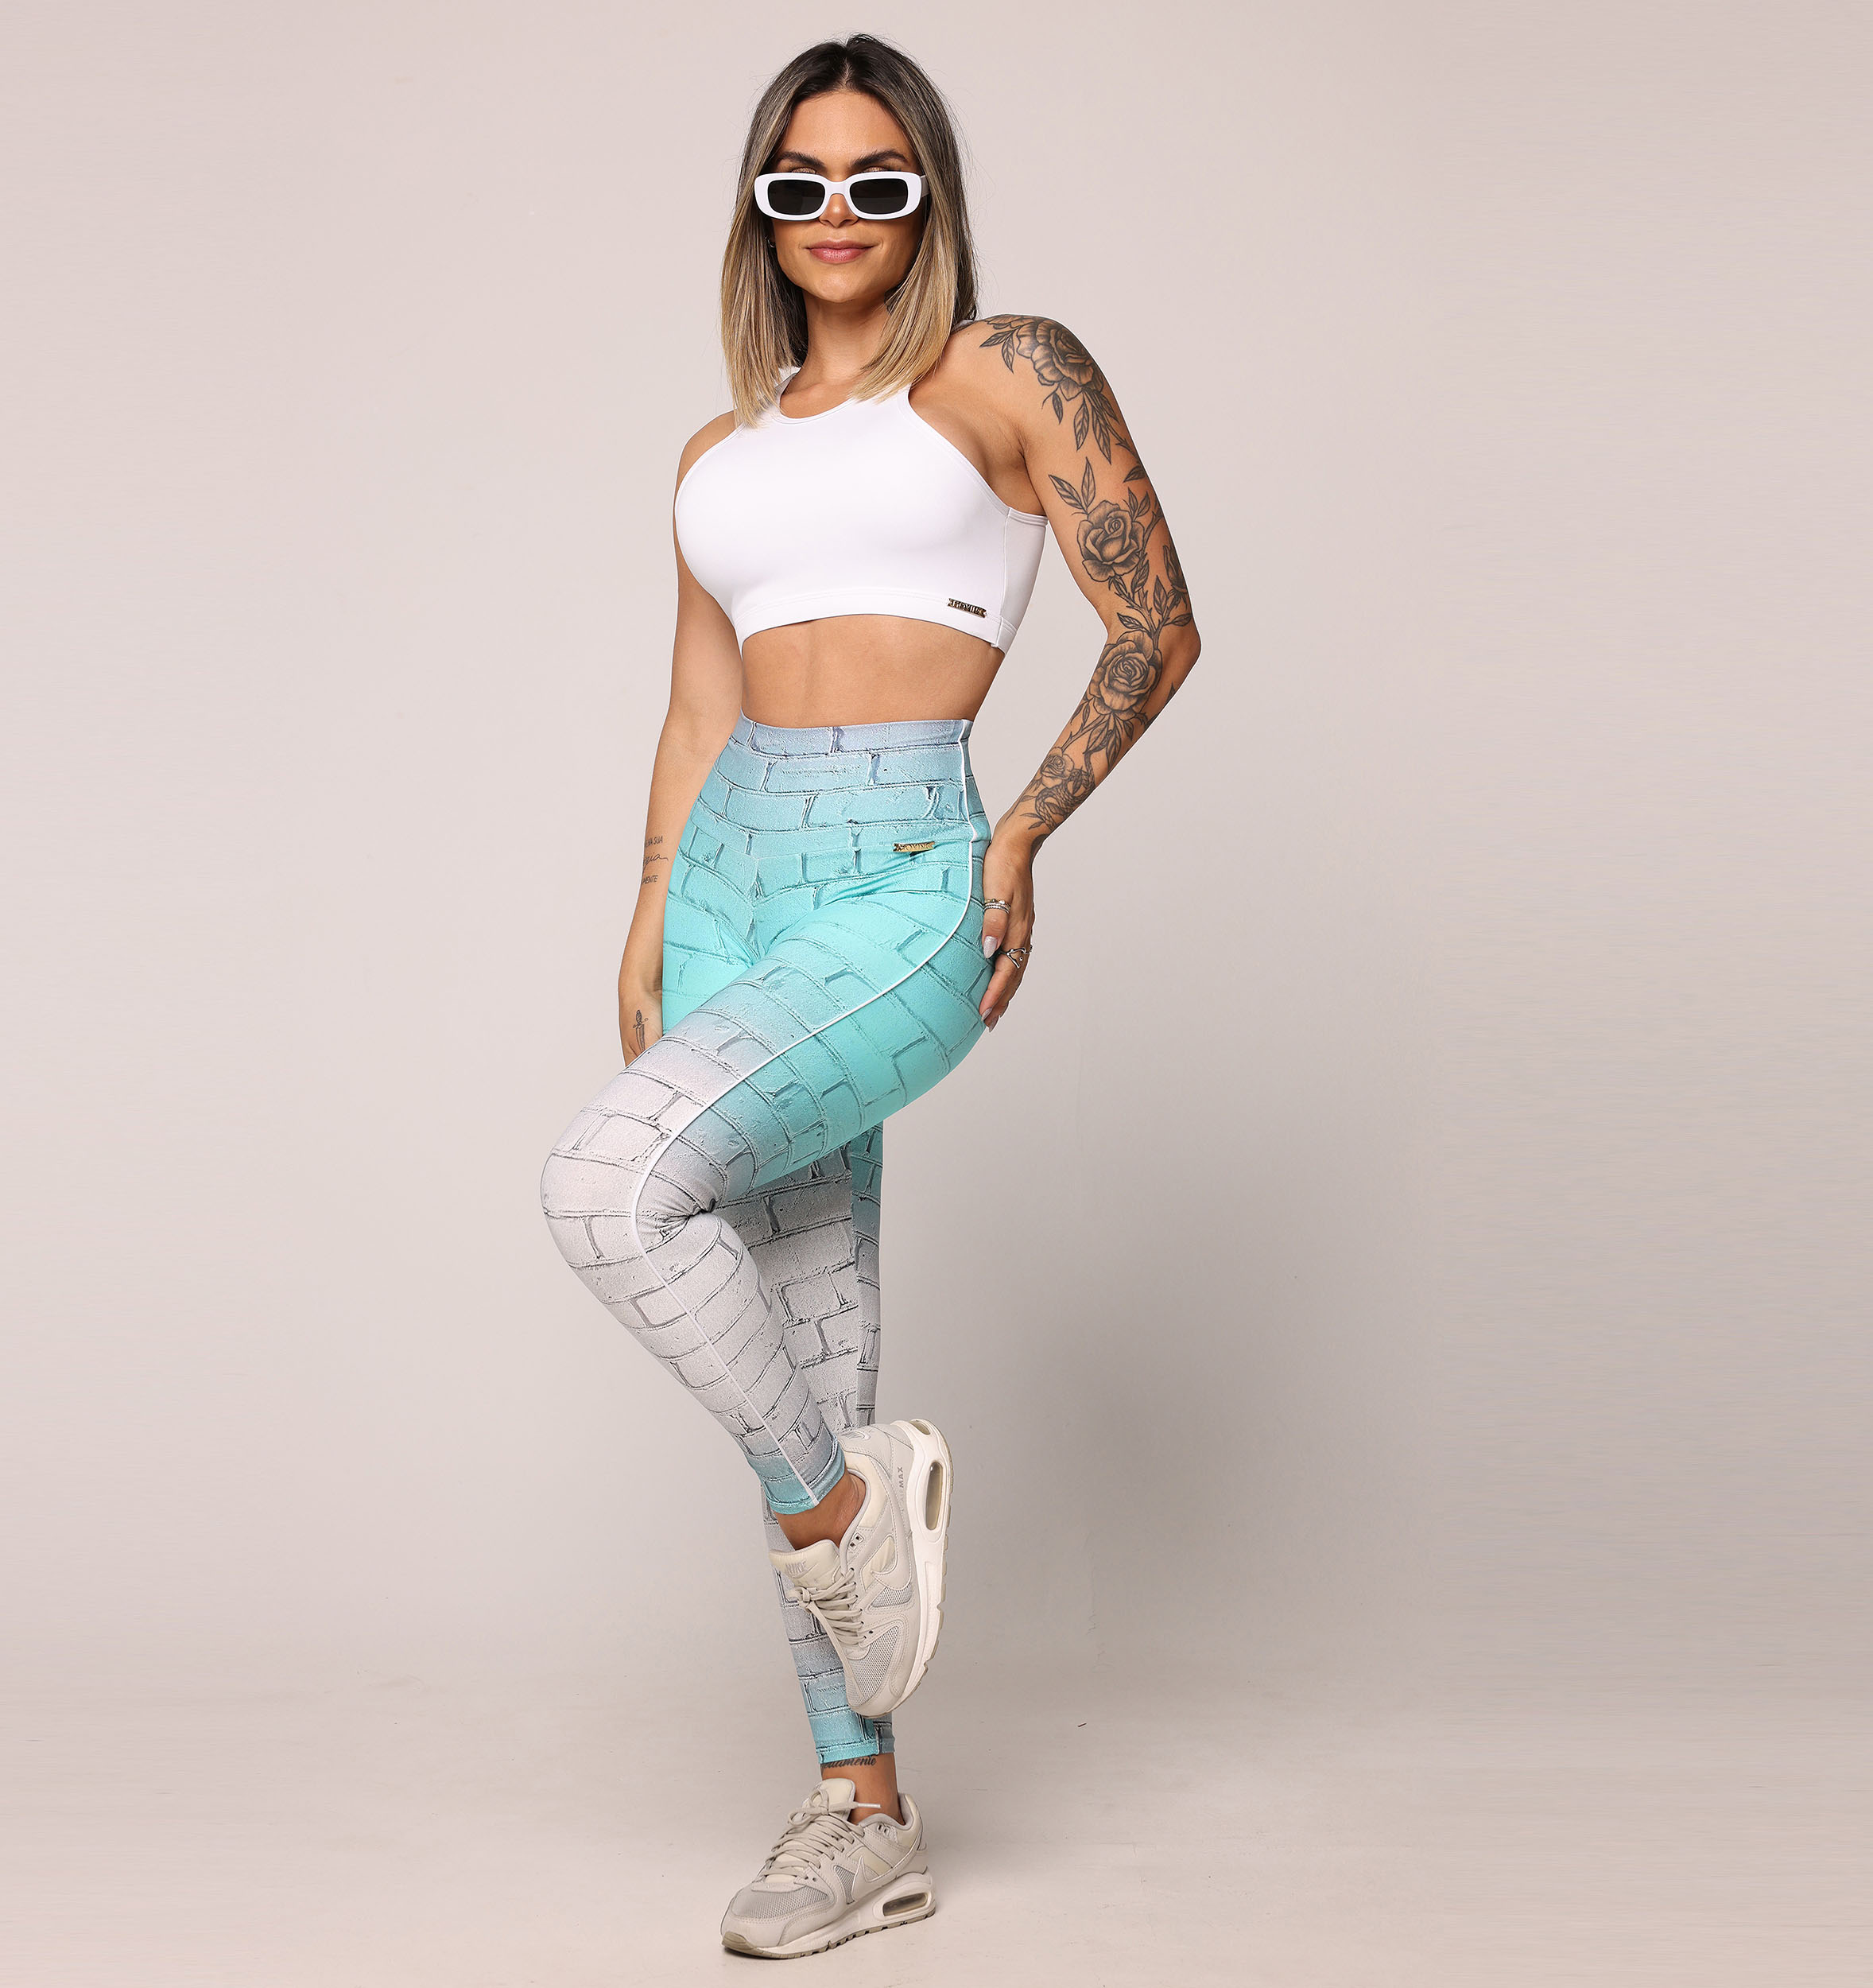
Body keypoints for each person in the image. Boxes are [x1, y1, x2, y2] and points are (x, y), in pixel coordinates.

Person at [540, 32, 1198, 1960]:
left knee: (607, 1186)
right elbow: (696, 703)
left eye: (877, 182)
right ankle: (863, 1820)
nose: (837, 214)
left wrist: (1026, 830)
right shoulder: (716, 454)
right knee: (803, 1343)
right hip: (727, 873)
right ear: (759, 209)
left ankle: (843, 1521)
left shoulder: (1002, 371)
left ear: (929, 201)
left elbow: (1157, 622)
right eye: (799, 183)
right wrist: (646, 909)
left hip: (902, 863)